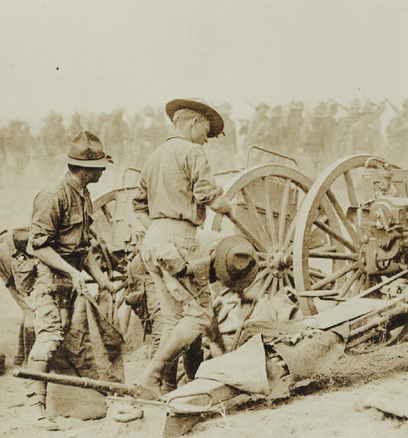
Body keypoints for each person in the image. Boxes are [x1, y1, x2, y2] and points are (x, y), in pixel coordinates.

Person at [132, 98, 235, 397]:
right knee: (201, 315)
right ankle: (152, 374)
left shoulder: (155, 155)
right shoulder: (193, 151)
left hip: (153, 241)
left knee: (176, 319)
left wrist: (155, 230)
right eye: (206, 130)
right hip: (179, 242)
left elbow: (137, 204)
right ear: (193, 123)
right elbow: (207, 195)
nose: (207, 138)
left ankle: (169, 386)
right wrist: (229, 208)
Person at [25, 131, 116, 429]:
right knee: (49, 337)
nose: (103, 170)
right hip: (49, 280)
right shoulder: (53, 195)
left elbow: (83, 246)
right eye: (99, 166)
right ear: (85, 168)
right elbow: (37, 246)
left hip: (71, 281)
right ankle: (34, 409)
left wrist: (100, 279)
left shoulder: (83, 194)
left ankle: (76, 403)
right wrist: (73, 273)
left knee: (76, 342)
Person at [0, 228, 36, 368]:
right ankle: (28, 362)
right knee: (31, 311)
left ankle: (20, 358)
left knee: (27, 309)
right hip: (8, 255)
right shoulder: (20, 236)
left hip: (7, 258)